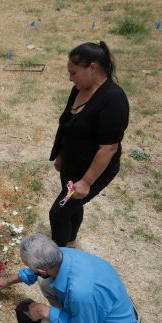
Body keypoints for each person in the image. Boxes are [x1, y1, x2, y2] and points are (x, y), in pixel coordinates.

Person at [0, 234, 139, 323]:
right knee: (46, 283)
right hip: (106, 309)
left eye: (31, 267)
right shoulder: (63, 254)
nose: (31, 270)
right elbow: (36, 271)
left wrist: (48, 313)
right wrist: (8, 280)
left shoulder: (80, 294)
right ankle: (72, 317)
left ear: (41, 270)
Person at [48, 40, 129, 247]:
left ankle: (59, 260)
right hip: (72, 165)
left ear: (92, 67)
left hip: (93, 170)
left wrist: (86, 182)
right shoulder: (79, 89)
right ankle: (71, 242)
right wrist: (61, 154)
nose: (70, 78)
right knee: (72, 207)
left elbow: (108, 148)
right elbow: (68, 124)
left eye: (74, 72)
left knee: (58, 213)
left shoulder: (113, 99)